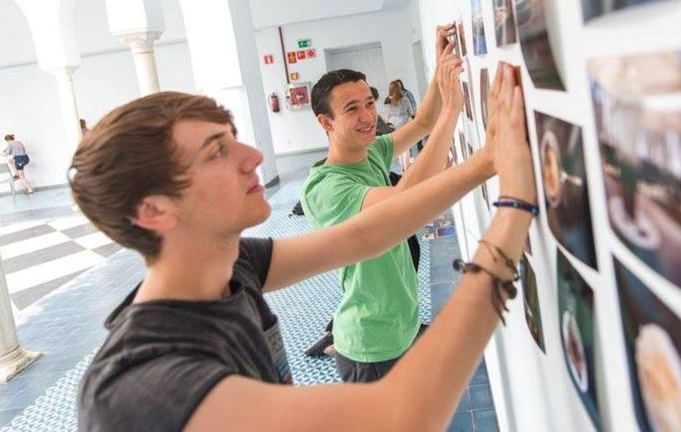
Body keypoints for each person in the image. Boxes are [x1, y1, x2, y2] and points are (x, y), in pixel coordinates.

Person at [70, 64, 534, 431]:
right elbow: (399, 416)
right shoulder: (141, 385)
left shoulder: (236, 266)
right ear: (153, 211)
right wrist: (512, 208)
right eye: (217, 151)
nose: (253, 158)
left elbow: (366, 235)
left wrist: (488, 161)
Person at [302, 25, 463, 382]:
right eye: (352, 109)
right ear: (325, 122)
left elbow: (422, 122)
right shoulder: (326, 189)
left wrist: (439, 66)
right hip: (370, 347)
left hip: (400, 327)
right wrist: (452, 110)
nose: (368, 117)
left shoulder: (371, 151)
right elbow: (407, 199)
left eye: (370, 103)